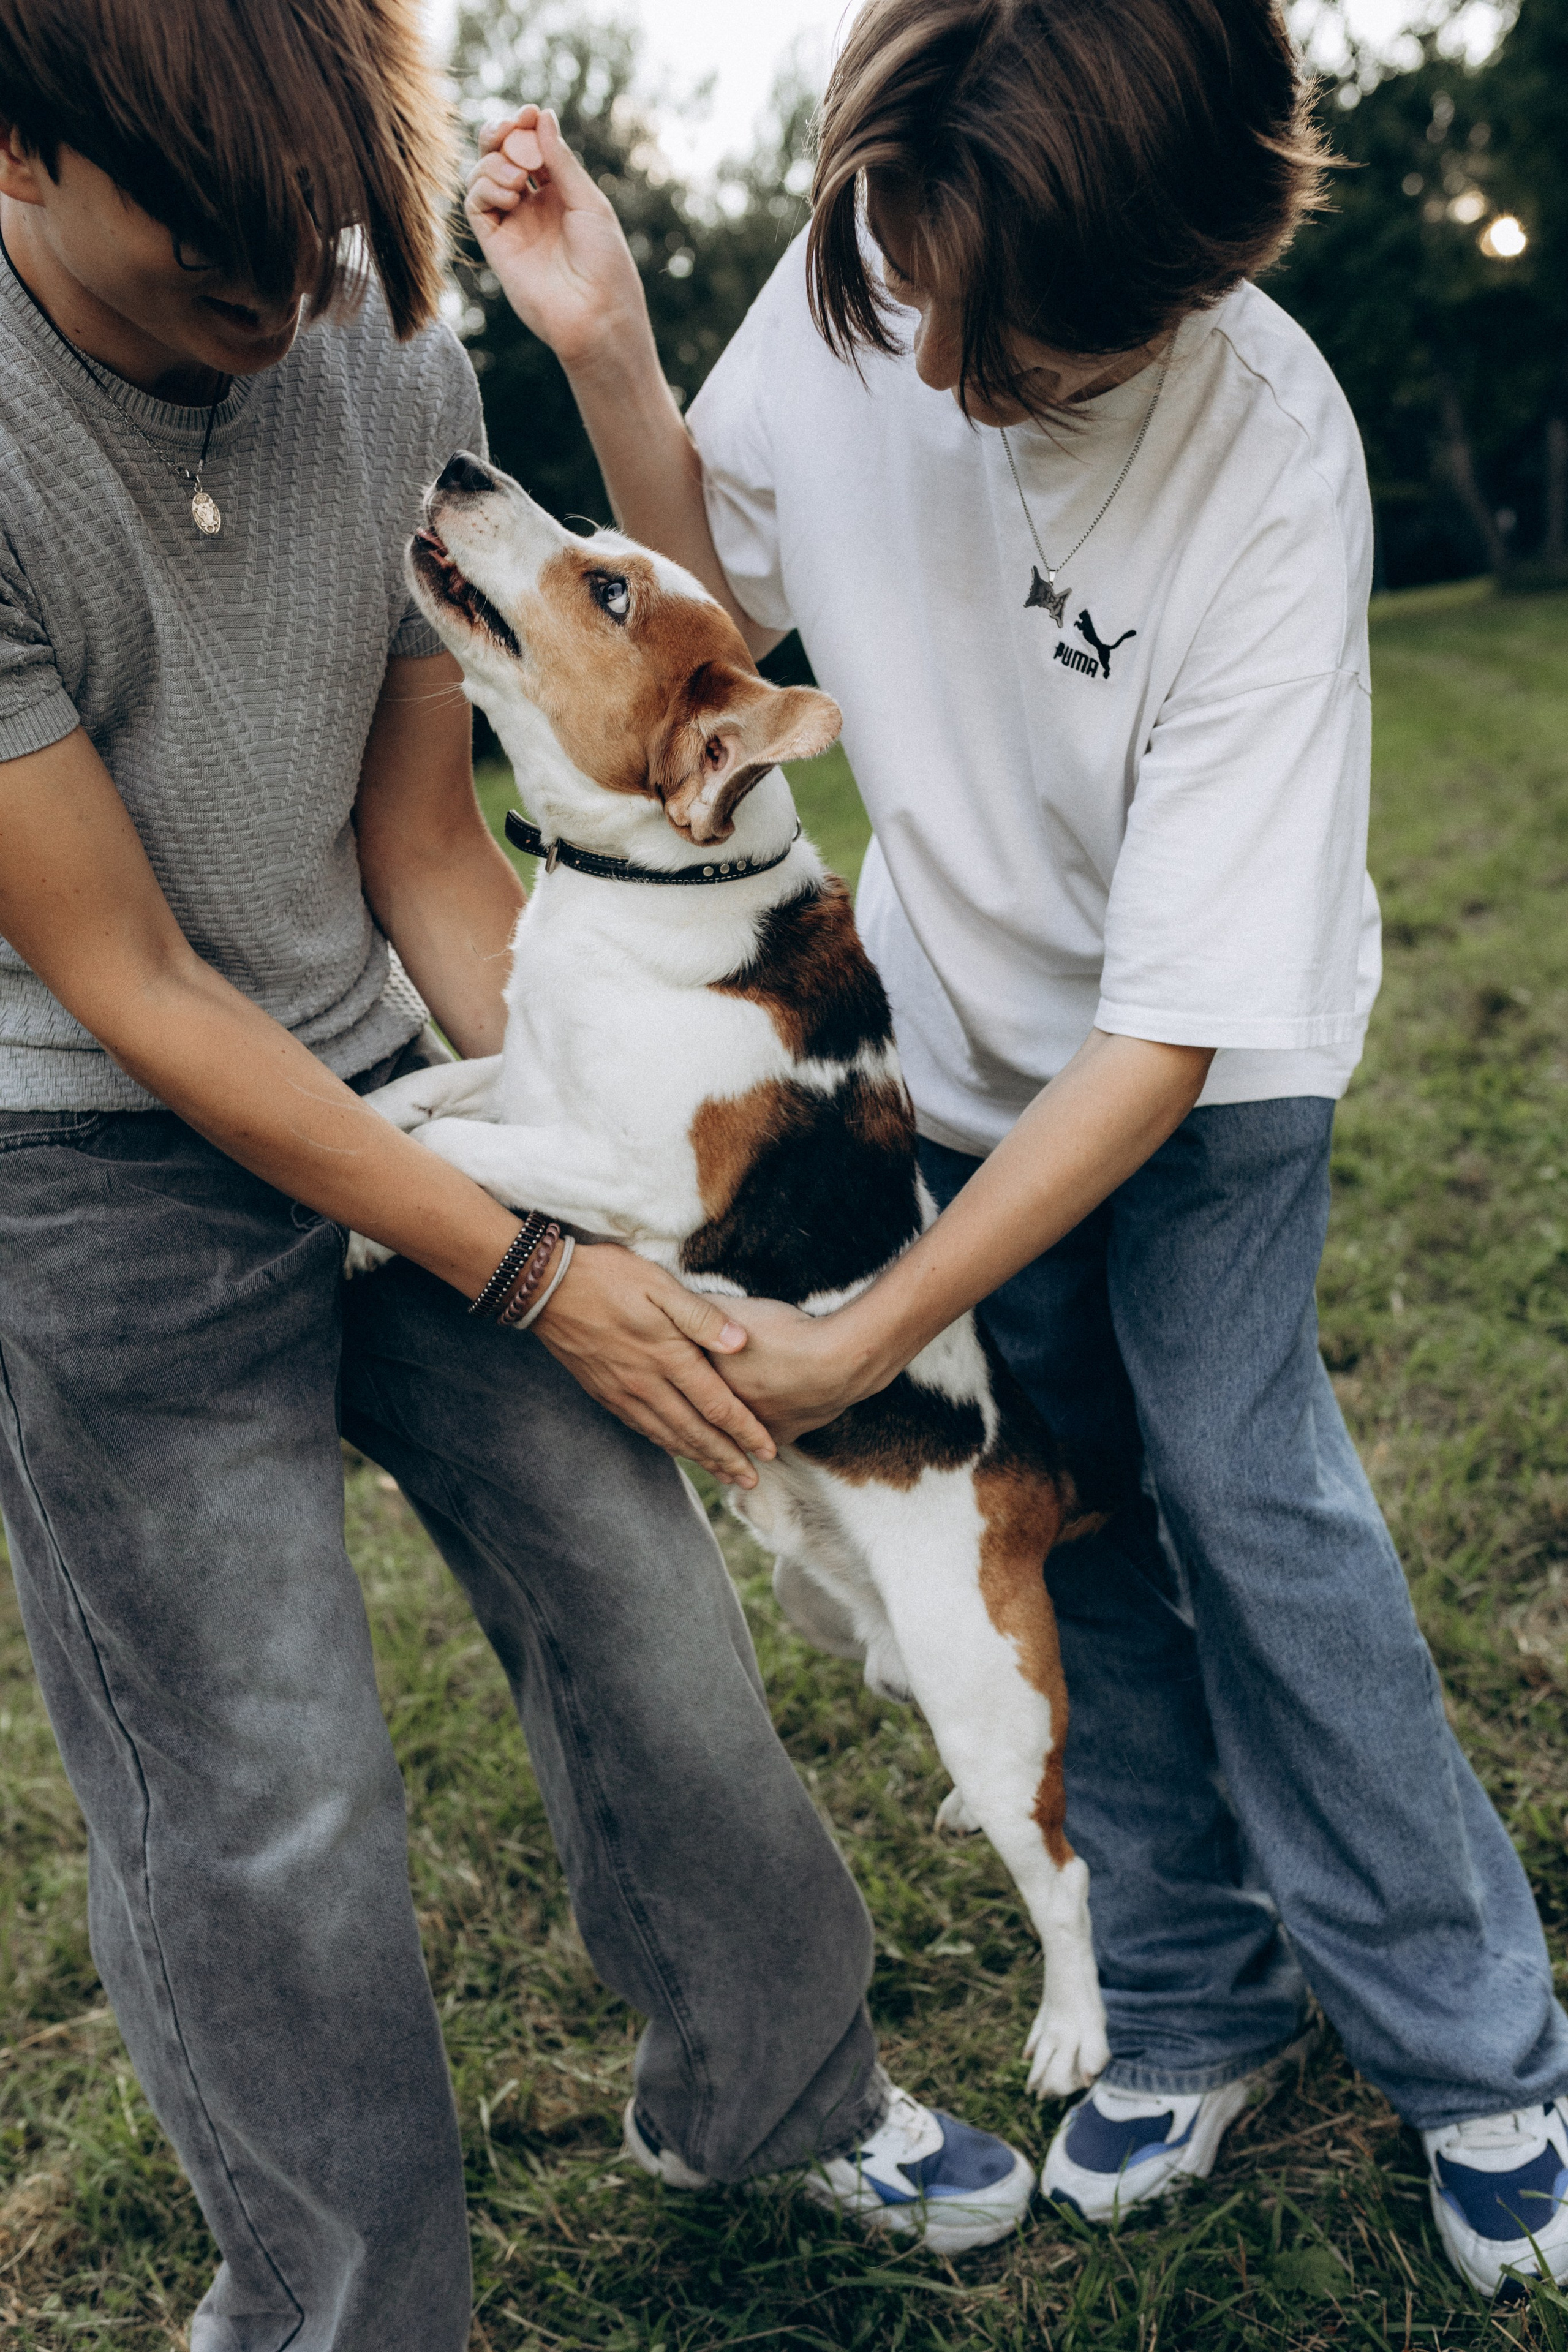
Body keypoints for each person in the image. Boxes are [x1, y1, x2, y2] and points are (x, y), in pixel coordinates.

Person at [470, 0, 1568, 2299]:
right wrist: (608, 359)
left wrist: (869, 1322)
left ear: (1173, 277)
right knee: (1072, 1537)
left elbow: (1171, 1032)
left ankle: (1484, 2050)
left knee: (1250, 1504)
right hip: (952, 1060)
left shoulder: (1270, 461)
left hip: (1204, 1066)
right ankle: (1187, 1994)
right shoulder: (888, 249)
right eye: (912, 300)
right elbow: (718, 610)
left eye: (1017, 350)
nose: (943, 372)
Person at [0, 4, 1041, 2344]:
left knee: (653, 1604)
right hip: (85, 1140)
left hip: (393, 1067)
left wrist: (605, 1163)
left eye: (320, 247)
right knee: (269, 1779)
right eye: (218, 269)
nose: (286, 313)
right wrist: (521, 1260)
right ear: (17, 159)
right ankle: (352, 2313)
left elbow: (424, 850)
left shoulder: (367, 335)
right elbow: (140, 983)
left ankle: (778, 2099)